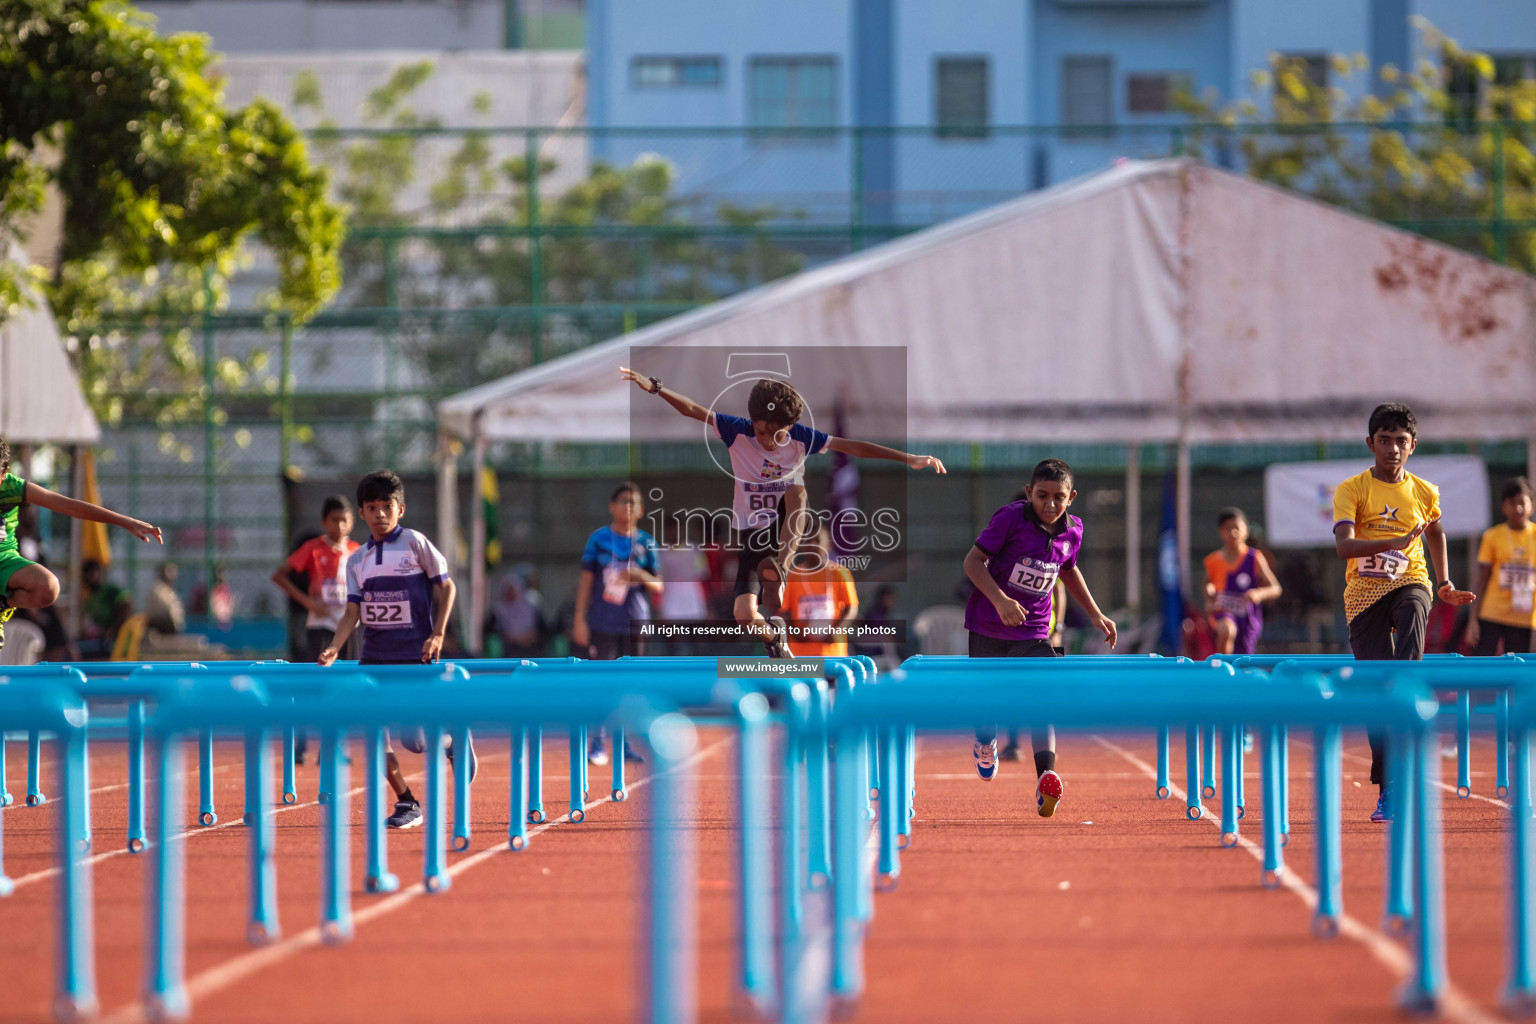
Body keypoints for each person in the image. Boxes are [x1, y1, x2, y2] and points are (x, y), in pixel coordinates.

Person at [617, 367, 945, 658]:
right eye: (761, 432)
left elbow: (854, 446)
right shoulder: (737, 431)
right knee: (744, 615)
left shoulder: (802, 438)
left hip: (784, 526)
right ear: (752, 424)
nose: (768, 441)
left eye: (777, 434)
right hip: (749, 534)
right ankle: (776, 637)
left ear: (790, 426)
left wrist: (909, 458)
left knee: (797, 490)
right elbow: (692, 410)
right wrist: (656, 387)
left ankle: (782, 570)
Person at [1332, 403, 1473, 823]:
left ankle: (1409, 688)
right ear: (1370, 443)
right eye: (1384, 440)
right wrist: (1388, 543)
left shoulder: (1424, 491)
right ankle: (1389, 787)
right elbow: (1343, 547)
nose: (1392, 448)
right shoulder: (1352, 489)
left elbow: (1436, 533)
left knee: (1414, 604)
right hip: (1362, 595)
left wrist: (1443, 582)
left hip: (1410, 579)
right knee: (1377, 693)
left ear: (1412, 445)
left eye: (1400, 441)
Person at [962, 459, 1118, 817]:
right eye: (1042, 496)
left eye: (1058, 497)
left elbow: (1069, 570)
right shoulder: (1010, 519)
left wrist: (1095, 613)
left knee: (1042, 695)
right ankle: (985, 740)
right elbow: (972, 562)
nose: (1050, 504)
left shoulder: (1073, 531)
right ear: (1030, 492)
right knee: (986, 704)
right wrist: (1000, 600)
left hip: (1034, 630)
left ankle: (1045, 776)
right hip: (988, 624)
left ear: (1071, 498)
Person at [317, 471, 470, 830]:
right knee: (374, 735)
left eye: (387, 507)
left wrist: (437, 634)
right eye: (372, 508)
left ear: (400, 509)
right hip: (375, 660)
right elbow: (352, 611)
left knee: (415, 740)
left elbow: (446, 589)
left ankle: (451, 739)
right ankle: (407, 802)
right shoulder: (357, 561)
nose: (380, 514)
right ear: (362, 512)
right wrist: (334, 647)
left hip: (415, 657)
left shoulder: (415, 543)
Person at [0, 438, 162, 650]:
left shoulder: (13, 487)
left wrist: (126, 522)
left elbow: (71, 507)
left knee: (49, 587)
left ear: (4, 472)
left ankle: (3, 605)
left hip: (4, 560)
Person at [573, 482, 663, 766]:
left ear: (641, 510)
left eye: (633, 502)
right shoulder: (598, 539)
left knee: (632, 684)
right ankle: (597, 743)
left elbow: (659, 585)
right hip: (602, 622)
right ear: (612, 506)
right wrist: (579, 618)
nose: (628, 507)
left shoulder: (646, 542)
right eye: (623, 501)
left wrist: (640, 576)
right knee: (601, 681)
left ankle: (625, 744)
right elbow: (586, 581)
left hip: (636, 622)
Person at [273, 496, 361, 763]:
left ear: (352, 522)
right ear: (324, 521)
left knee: (348, 686)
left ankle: (335, 746)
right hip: (320, 625)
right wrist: (308, 601)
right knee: (322, 684)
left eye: (345, 519)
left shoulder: (358, 551)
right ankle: (304, 743)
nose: (340, 525)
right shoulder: (313, 549)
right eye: (334, 519)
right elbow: (279, 575)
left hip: (350, 626)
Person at [1467, 477, 1536, 656]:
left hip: (1524, 617)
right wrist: (1473, 620)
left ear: (1532, 505)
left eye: (1522, 502)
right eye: (1512, 503)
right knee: (1484, 666)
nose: (1518, 508)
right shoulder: (1492, 536)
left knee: (1518, 670)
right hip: (1492, 613)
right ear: (1504, 506)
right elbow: (1482, 578)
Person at [1202, 508, 1282, 656]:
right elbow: (1208, 584)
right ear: (1220, 532)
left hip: (1247, 616)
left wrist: (1258, 593)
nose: (1233, 533)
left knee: (1244, 657)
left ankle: (1237, 676)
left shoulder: (1254, 558)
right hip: (1222, 611)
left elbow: (1275, 588)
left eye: (1237, 528)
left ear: (1246, 530)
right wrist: (1209, 595)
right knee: (1227, 630)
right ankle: (1223, 670)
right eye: (1227, 528)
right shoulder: (1213, 560)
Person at [782, 524, 859, 659]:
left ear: (828, 545)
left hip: (832, 652)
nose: (812, 544)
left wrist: (836, 630)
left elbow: (851, 607)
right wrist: (795, 632)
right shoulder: (793, 575)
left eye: (817, 540)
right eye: (807, 540)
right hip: (800, 652)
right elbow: (785, 611)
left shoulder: (839, 573)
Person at [491, 569, 545, 658]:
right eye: (508, 589)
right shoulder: (499, 610)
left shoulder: (531, 608)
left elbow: (540, 630)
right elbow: (497, 633)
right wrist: (515, 638)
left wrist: (528, 637)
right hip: (509, 647)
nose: (511, 593)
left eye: (513, 589)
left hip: (530, 645)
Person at [144, 562, 186, 636]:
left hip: (170, 625)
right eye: (169, 571)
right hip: (161, 625)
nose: (173, 575)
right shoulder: (158, 589)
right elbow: (166, 610)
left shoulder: (168, 589)